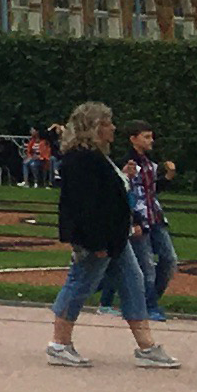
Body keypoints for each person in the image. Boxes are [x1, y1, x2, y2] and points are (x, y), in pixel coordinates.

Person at [47, 101, 175, 370]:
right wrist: (96, 242)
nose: (113, 128)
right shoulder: (81, 159)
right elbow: (84, 206)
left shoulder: (98, 156)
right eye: (108, 123)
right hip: (99, 239)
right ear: (94, 127)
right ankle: (59, 343)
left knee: (134, 283)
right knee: (80, 283)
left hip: (116, 237)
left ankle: (147, 346)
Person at [124, 122, 181, 323]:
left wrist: (167, 177)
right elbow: (126, 192)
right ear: (134, 138)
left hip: (155, 216)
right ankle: (148, 305)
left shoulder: (148, 161)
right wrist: (133, 220)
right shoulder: (126, 162)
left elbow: (151, 190)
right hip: (139, 218)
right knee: (146, 264)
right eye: (146, 137)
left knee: (169, 259)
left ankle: (149, 300)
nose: (151, 141)